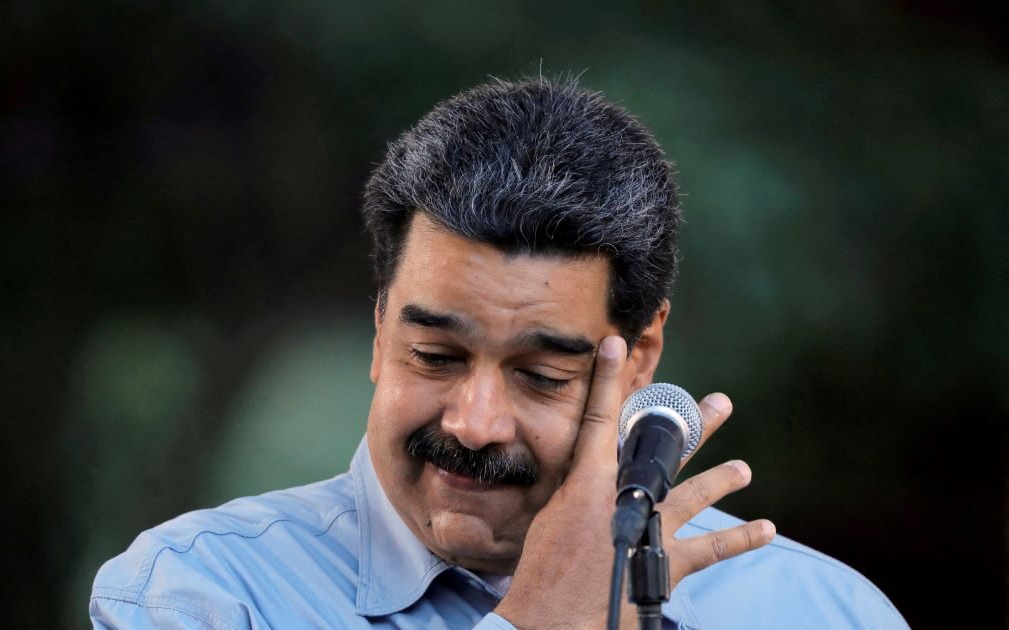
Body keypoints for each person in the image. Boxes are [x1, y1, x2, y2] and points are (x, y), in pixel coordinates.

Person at [90, 78, 908, 629]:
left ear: (640, 357)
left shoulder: (818, 611)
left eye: (541, 376)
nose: (474, 423)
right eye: (434, 356)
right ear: (379, 333)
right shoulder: (195, 595)